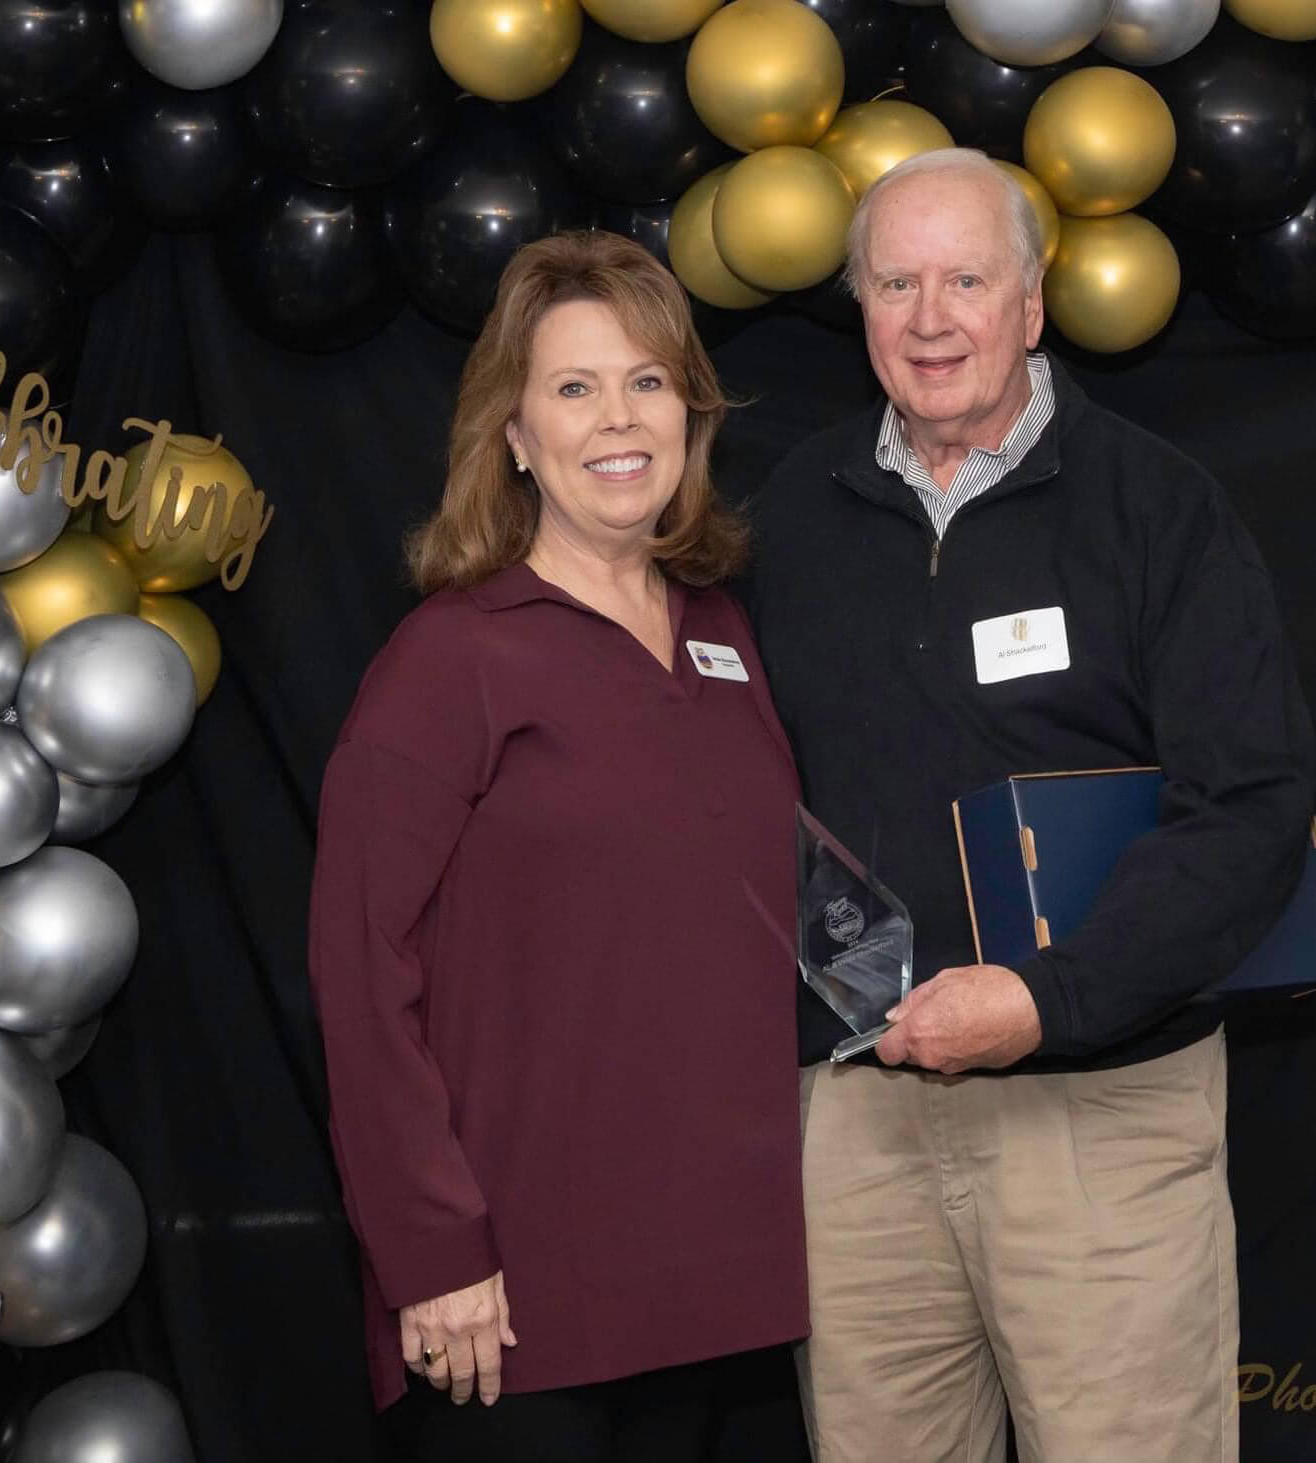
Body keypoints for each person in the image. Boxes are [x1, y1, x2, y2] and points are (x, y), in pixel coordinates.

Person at [744, 149, 1316, 1462]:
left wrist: (1049, 998)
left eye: (965, 277)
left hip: (1099, 1106)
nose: (931, 316)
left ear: (1033, 299)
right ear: (858, 306)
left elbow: (1252, 803)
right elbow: (745, 795)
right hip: (856, 1114)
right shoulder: (793, 516)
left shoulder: (1158, 506)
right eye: (896, 281)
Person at [308, 230, 807, 1463]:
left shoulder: (728, 636)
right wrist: (433, 1254)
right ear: (516, 436)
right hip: (522, 1299)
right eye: (574, 388)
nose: (618, 418)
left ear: (691, 415)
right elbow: (359, 972)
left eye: (648, 381)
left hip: (730, 1284)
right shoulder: (450, 659)